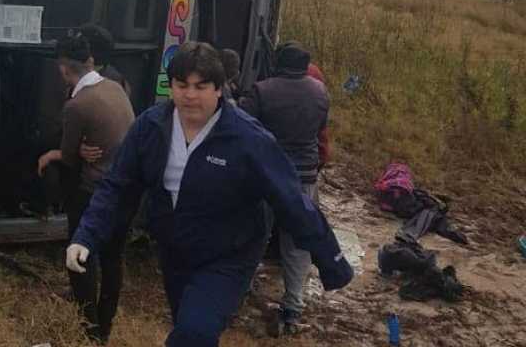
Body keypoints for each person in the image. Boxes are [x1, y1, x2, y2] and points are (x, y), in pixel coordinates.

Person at [65, 42, 353, 347]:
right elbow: (117, 185)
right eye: (182, 85)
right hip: (176, 250)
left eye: (200, 86)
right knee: (189, 325)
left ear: (218, 89)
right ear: (171, 87)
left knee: (195, 332)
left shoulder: (247, 138)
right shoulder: (150, 127)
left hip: (229, 255)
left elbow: (290, 199)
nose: (190, 95)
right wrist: (86, 236)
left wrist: (331, 260)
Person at [37, 30, 136, 344]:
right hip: (125, 189)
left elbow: (67, 156)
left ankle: (88, 327)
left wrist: (50, 155)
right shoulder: (115, 87)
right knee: (113, 258)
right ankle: (104, 326)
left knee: (80, 254)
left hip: (94, 192)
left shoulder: (77, 105)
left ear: (63, 68)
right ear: (90, 61)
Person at [238, 42, 330, 335]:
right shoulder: (320, 92)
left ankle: (241, 290)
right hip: (303, 179)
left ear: (279, 63)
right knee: (297, 243)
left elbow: (243, 127)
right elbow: (320, 130)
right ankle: (293, 307)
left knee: (255, 235)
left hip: (267, 176)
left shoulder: (262, 90)